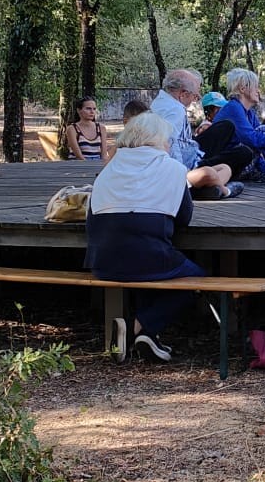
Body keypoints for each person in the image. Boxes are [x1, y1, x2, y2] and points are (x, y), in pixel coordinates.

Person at [85, 111, 202, 361]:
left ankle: (148, 335)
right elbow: (184, 218)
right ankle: (136, 326)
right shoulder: (172, 168)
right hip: (147, 256)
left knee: (147, 269)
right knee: (196, 280)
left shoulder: (108, 170)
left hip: (101, 261)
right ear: (159, 140)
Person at [150, 68, 250, 200]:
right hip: (187, 167)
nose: (194, 100)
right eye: (195, 96)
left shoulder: (161, 102)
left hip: (192, 153)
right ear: (183, 94)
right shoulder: (174, 111)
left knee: (226, 128)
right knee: (243, 154)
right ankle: (210, 189)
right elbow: (169, 142)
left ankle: (209, 187)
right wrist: (181, 173)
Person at [64, 95, 113, 163]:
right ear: (79, 110)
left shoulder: (101, 128)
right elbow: (78, 155)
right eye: (88, 109)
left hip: (97, 164)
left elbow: (104, 154)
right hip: (77, 165)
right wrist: (89, 167)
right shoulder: (72, 129)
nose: (92, 112)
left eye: (94, 109)